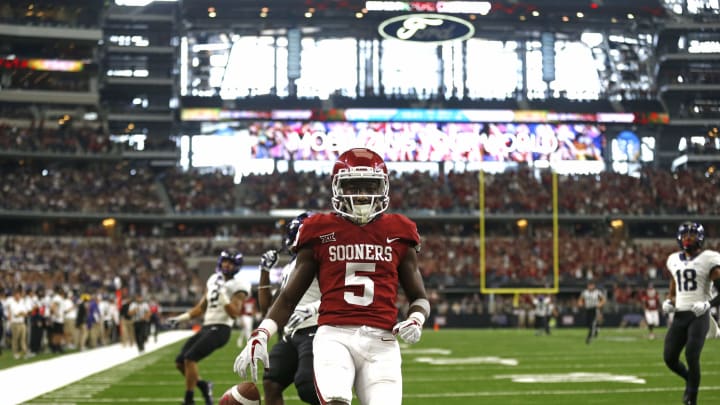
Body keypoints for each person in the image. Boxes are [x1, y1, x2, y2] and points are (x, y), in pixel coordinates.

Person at [233, 148, 431, 405]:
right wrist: (262, 333)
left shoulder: (400, 231)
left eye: (369, 187)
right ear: (338, 188)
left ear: (383, 187)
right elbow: (288, 298)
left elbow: (419, 297)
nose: (361, 196)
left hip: (382, 338)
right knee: (336, 400)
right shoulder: (318, 230)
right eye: (353, 187)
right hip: (334, 336)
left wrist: (416, 318)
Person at [256, 211, 322, 405]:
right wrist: (264, 272)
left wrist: (314, 308)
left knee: (309, 387)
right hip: (291, 334)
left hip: (316, 329)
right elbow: (269, 308)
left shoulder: (321, 259)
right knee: (271, 382)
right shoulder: (291, 266)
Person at [169, 250, 250, 405]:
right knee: (180, 362)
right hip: (207, 327)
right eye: (225, 260)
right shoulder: (213, 279)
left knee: (190, 358)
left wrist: (224, 296)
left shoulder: (239, 285)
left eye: (231, 262)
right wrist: (180, 318)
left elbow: (234, 313)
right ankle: (204, 386)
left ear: (236, 266)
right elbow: (201, 308)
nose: (227, 264)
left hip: (221, 328)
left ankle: (189, 400)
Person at [661, 221, 720, 405]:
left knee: (691, 355)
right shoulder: (673, 260)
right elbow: (673, 287)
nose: (688, 238)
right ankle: (690, 379)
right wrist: (669, 301)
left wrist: (708, 304)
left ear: (700, 238)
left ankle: (691, 398)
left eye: (692, 235)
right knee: (669, 357)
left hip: (698, 315)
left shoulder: (709, 259)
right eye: (685, 234)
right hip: (680, 315)